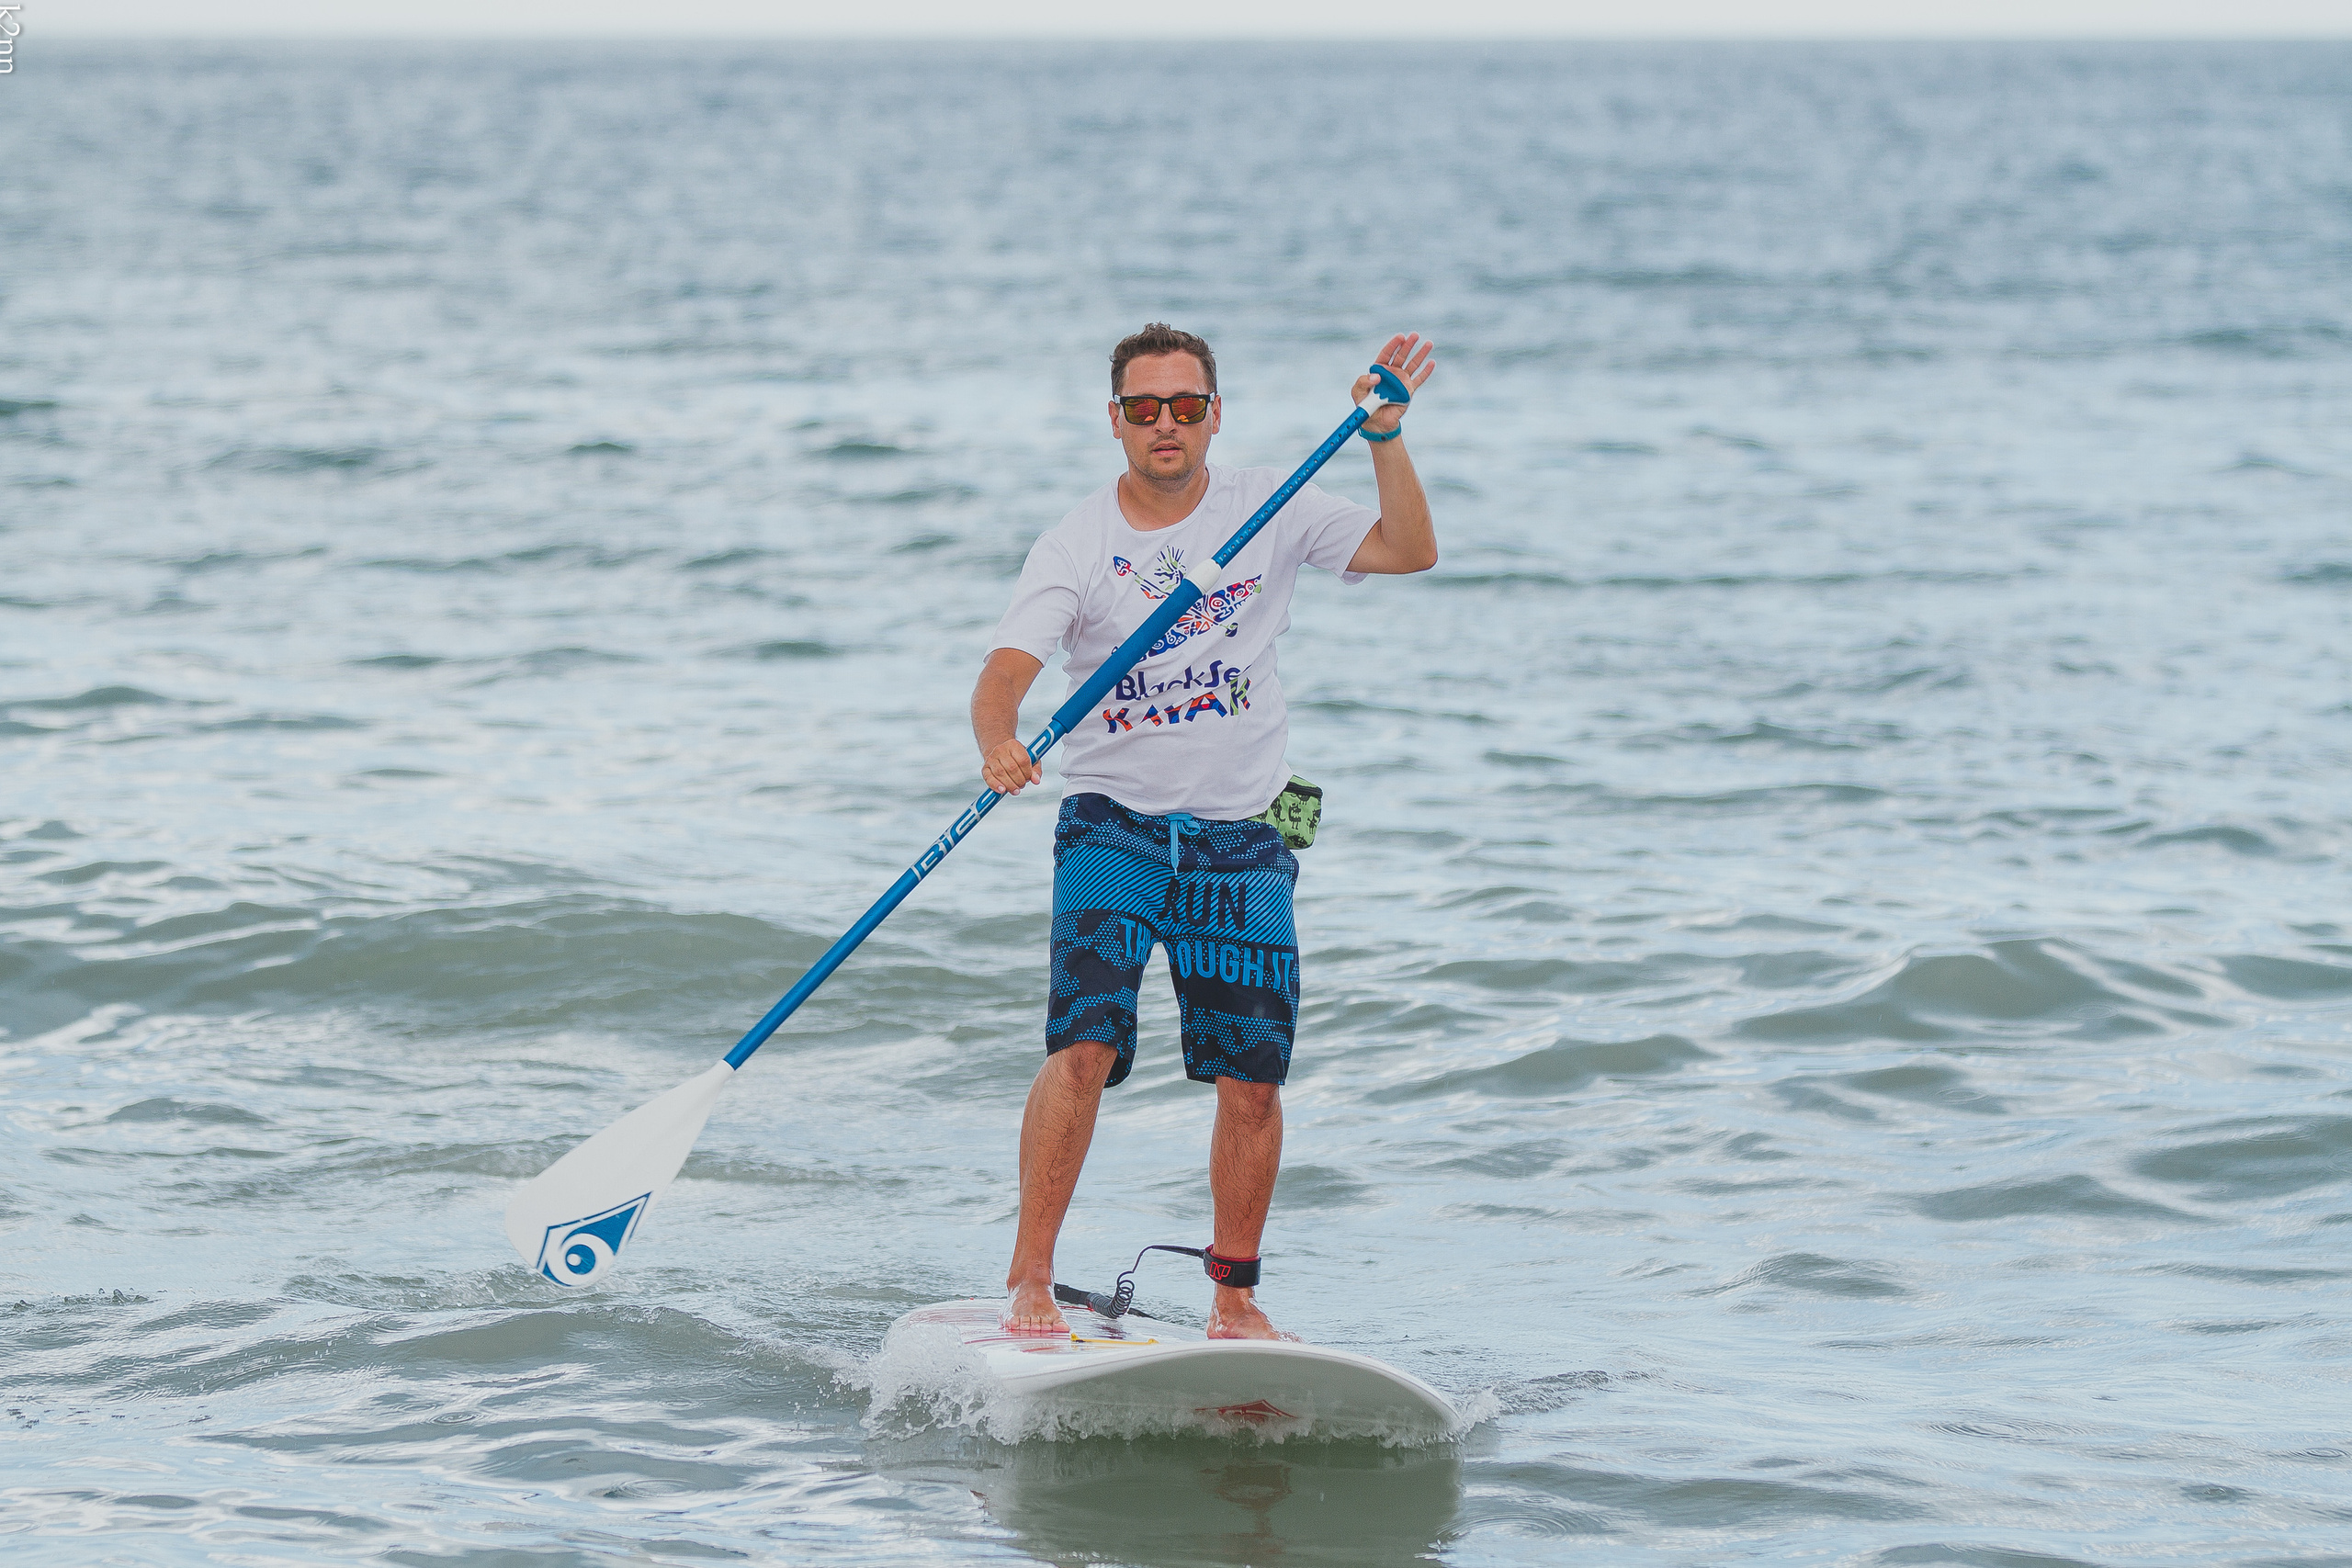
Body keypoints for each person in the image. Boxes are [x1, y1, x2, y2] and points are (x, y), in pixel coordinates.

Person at [973, 322, 1438, 1339]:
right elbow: (1005, 671)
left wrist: (1384, 439)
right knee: (1084, 1048)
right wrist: (1000, 736)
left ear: (1214, 415)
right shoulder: (1075, 544)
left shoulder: (1270, 506)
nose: (1166, 425)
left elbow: (1409, 551)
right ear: (1117, 423)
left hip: (1243, 834)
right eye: (1145, 409)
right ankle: (1030, 1281)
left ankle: (1233, 1298)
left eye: (1186, 407)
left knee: (1253, 1081)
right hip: (1113, 826)